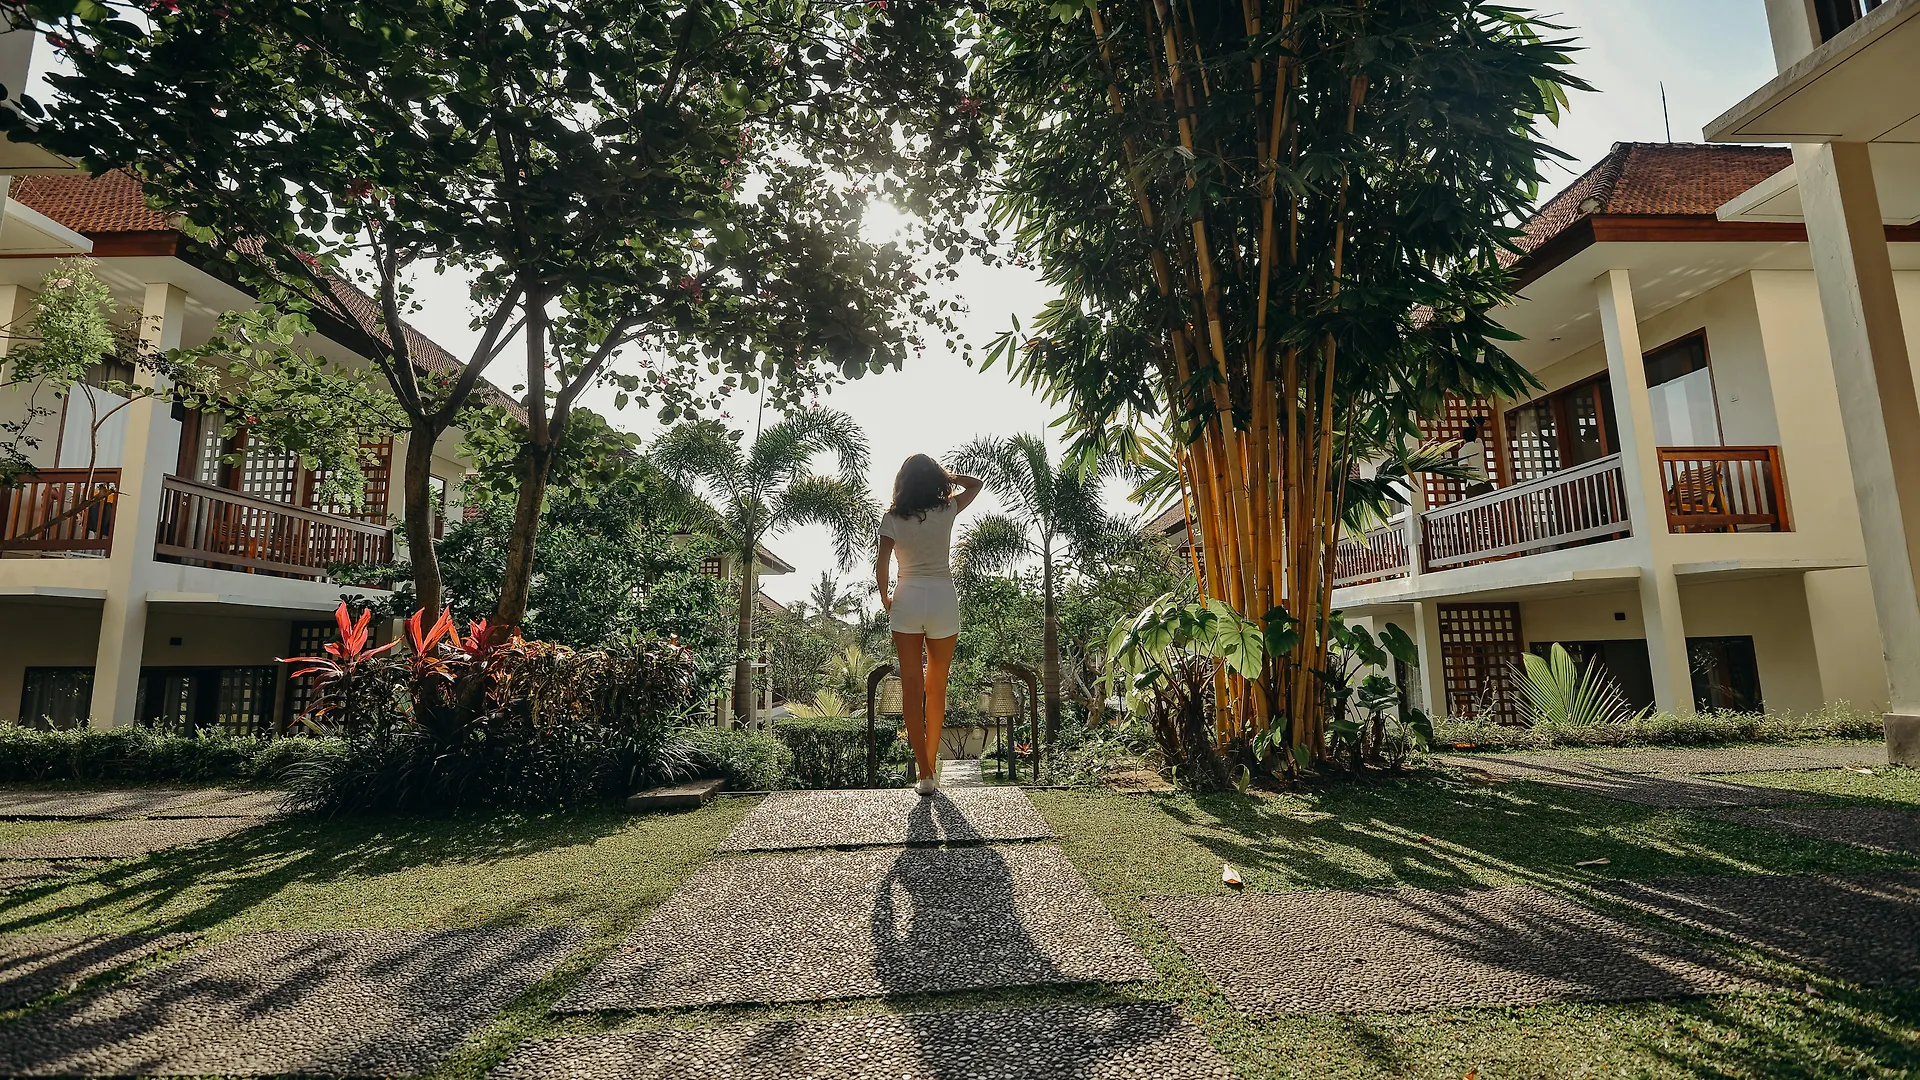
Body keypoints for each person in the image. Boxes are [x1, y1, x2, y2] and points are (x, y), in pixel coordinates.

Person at [875, 454, 983, 795]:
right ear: (934, 480)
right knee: (936, 687)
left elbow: (881, 566)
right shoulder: (946, 509)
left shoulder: (892, 517)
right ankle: (931, 764)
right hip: (941, 597)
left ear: (902, 482)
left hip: (906, 597)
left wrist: (886, 600)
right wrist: (945, 475)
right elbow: (976, 484)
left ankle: (924, 772)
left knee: (911, 688)